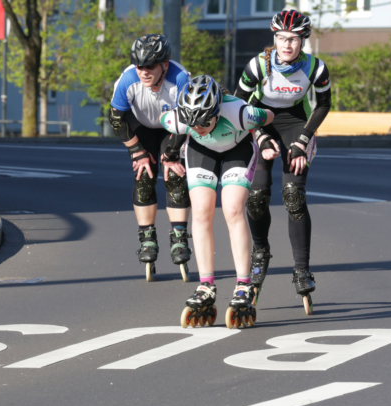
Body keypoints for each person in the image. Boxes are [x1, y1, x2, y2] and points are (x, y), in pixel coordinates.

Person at [159, 75, 276, 329]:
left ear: (216, 111)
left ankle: (244, 285)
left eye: (204, 121)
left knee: (233, 209)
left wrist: (262, 135)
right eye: (192, 122)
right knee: (201, 212)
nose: (198, 126)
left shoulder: (239, 112)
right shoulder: (175, 119)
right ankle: (206, 286)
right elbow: (166, 127)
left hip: (238, 148)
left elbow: (269, 116)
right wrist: (169, 155)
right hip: (202, 151)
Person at [235, 9, 331, 315]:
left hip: (296, 123)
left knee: (293, 196)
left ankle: (302, 268)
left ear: (303, 40)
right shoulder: (258, 65)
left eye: (293, 39)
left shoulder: (315, 67)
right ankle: (260, 251)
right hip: (259, 120)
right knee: (257, 196)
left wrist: (302, 141)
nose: (286, 44)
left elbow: (324, 104)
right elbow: (237, 105)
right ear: (274, 38)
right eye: (281, 38)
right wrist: (261, 136)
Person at [108, 34, 192, 281]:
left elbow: (189, 118)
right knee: (144, 177)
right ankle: (147, 238)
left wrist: (172, 154)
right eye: (139, 66)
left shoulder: (180, 79)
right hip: (140, 125)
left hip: (173, 126)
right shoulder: (127, 80)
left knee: (175, 176)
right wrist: (137, 151)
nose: (144, 72)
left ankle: (179, 237)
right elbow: (116, 119)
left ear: (164, 65)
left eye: (150, 66)